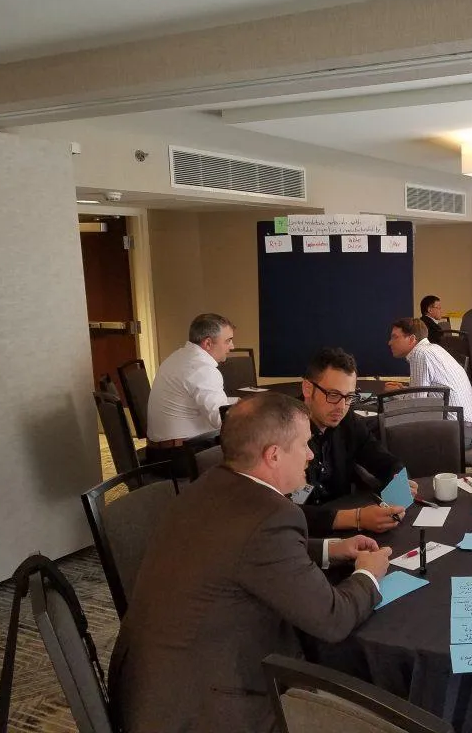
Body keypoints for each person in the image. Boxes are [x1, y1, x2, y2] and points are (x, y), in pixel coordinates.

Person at [109, 393, 392, 733]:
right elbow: (332, 619)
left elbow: (243, 553)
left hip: (149, 684)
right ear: (273, 455)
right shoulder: (271, 516)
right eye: (303, 445)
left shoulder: (210, 485)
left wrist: (333, 549)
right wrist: (367, 575)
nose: (310, 454)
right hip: (204, 710)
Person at [300, 348, 411, 536]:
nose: (341, 407)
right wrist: (357, 518)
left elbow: (382, 459)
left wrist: (397, 479)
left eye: (349, 397)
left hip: (349, 527)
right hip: (306, 536)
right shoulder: (285, 430)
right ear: (308, 389)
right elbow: (285, 511)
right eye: (333, 395)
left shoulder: (348, 421)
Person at [146, 313, 239, 447]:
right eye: (228, 340)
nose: (232, 346)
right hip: (181, 454)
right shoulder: (202, 369)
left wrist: (239, 403)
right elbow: (222, 420)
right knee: (253, 449)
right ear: (208, 343)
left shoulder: (180, 356)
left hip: (163, 447)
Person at [386, 318, 472, 448]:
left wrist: (395, 394)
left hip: (456, 435)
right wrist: (403, 391)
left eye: (394, 337)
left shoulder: (420, 353)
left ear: (412, 339)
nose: (389, 342)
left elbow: (416, 404)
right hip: (465, 430)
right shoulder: (433, 349)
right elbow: (423, 395)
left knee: (387, 431)